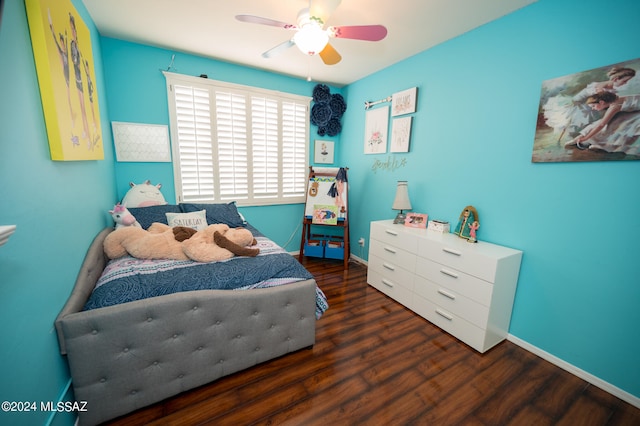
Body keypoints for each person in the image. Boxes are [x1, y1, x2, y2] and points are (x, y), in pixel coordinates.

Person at [565, 91, 640, 155]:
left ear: (601, 102)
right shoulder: (616, 100)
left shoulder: (614, 106)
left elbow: (601, 125)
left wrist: (586, 137)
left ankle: (603, 144)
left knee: (621, 124)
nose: (593, 109)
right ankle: (580, 139)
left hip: (637, 114)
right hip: (635, 112)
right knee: (611, 120)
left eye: (593, 106)